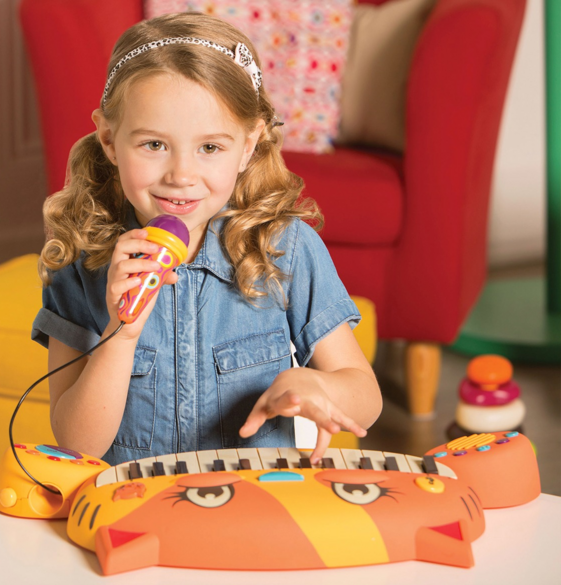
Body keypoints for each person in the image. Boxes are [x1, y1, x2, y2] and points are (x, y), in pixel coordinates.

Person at [31, 12, 382, 467]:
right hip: (134, 499)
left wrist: (317, 386)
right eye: (154, 145)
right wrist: (120, 333)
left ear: (248, 145)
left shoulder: (285, 246)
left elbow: (366, 398)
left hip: (256, 499)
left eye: (210, 147)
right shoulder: (81, 259)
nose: (181, 175)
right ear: (109, 138)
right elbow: (76, 446)